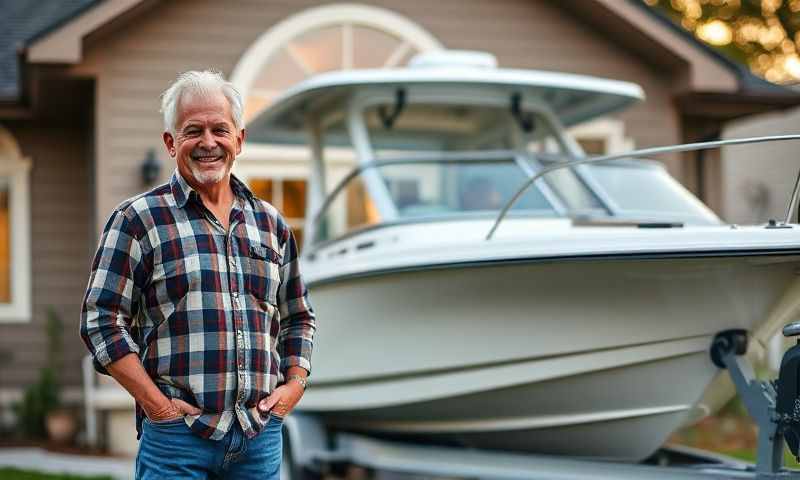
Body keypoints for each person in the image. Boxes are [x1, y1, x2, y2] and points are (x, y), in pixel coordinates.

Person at [80, 70, 316, 479]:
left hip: (259, 438)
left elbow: (298, 316)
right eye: (193, 131)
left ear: (238, 139)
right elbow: (101, 321)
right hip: (177, 440)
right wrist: (158, 407)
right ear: (171, 143)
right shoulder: (138, 220)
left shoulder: (271, 224)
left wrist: (293, 386)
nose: (208, 142)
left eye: (219, 129)